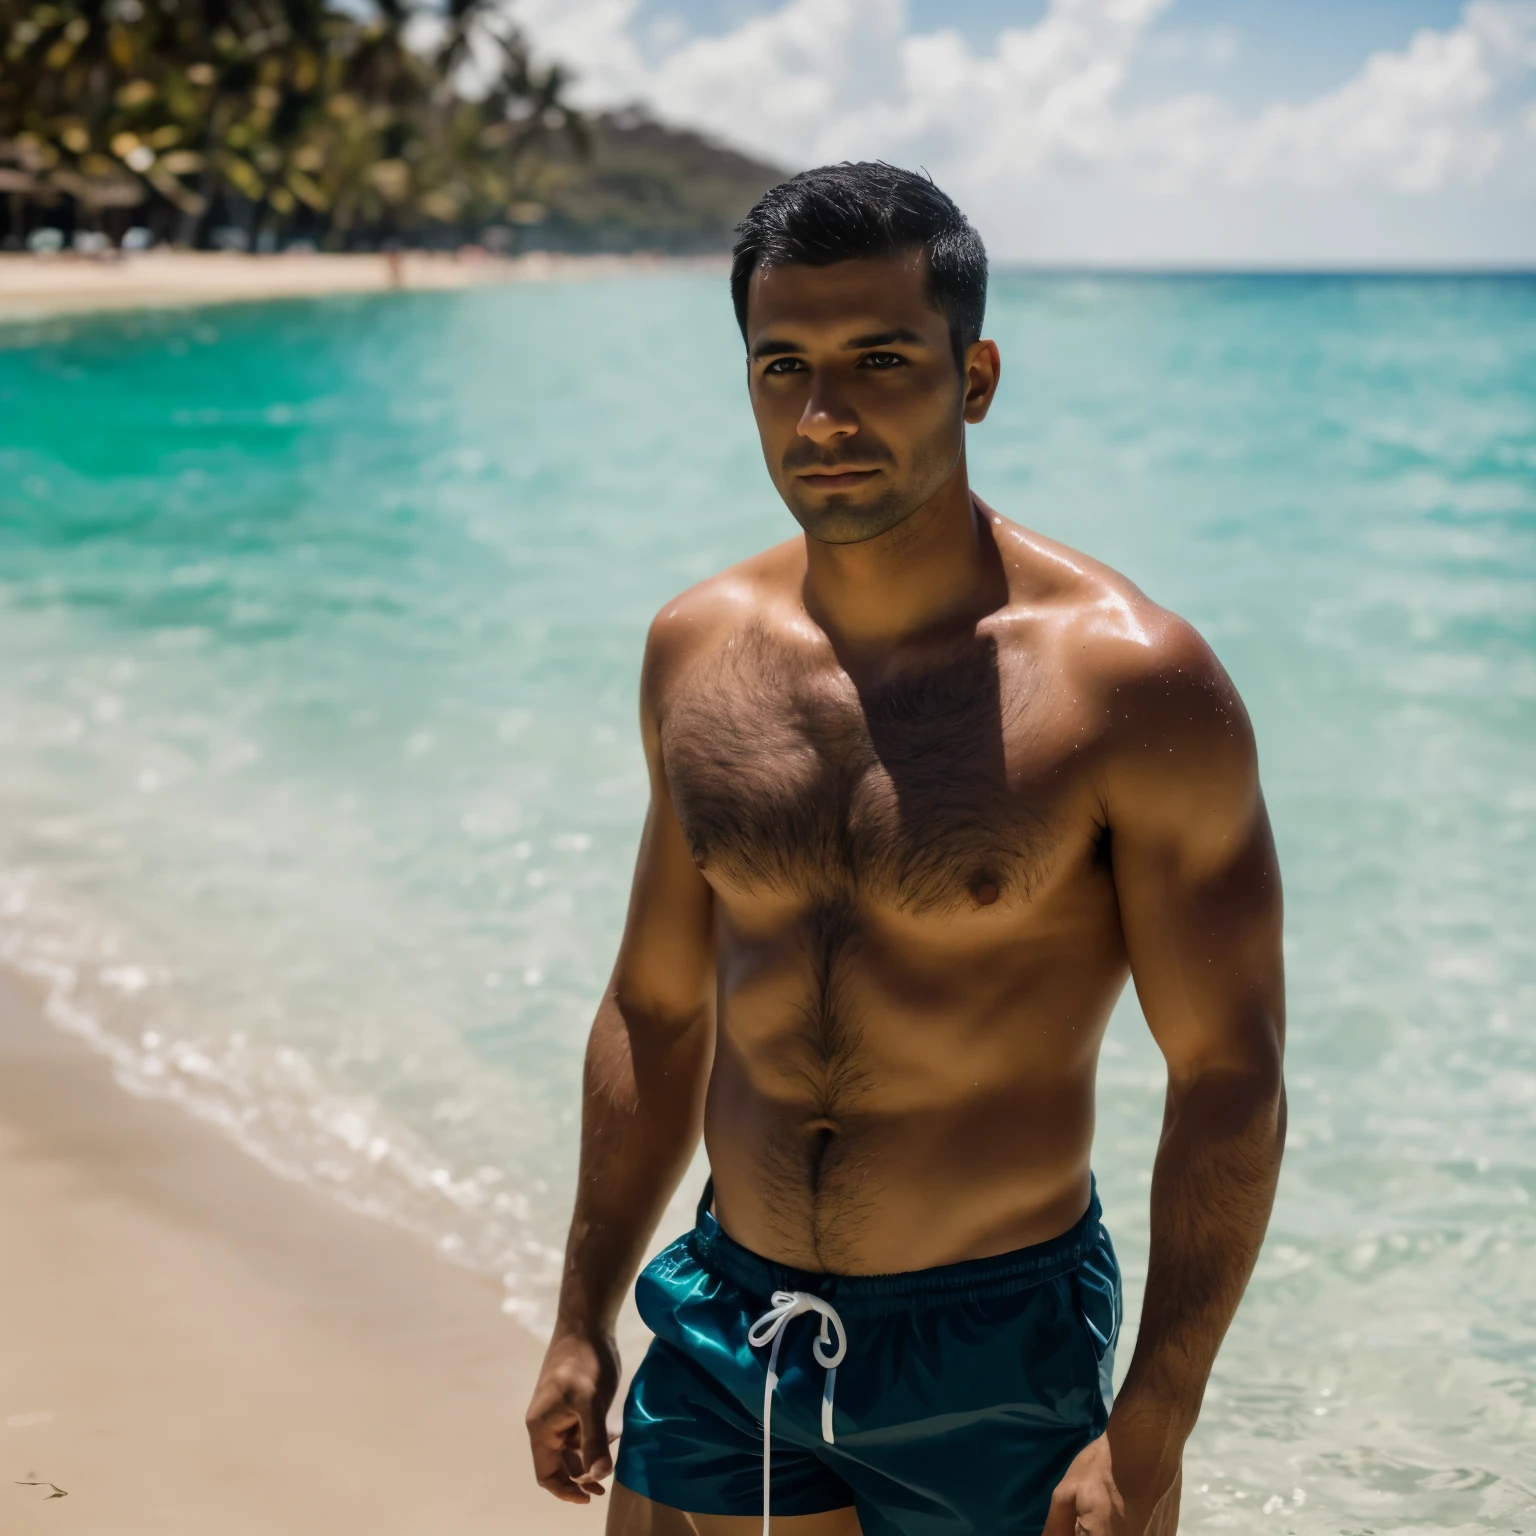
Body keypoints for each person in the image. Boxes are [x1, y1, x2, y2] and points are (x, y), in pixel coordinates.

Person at [525, 162, 1286, 1536]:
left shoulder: (1130, 685)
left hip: (992, 1345)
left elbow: (1229, 1076)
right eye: (784, 369)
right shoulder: (696, 651)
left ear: (975, 375)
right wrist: (581, 1315)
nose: (827, 415)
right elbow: (657, 1003)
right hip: (725, 1318)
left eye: (881, 361)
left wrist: (1152, 1428)